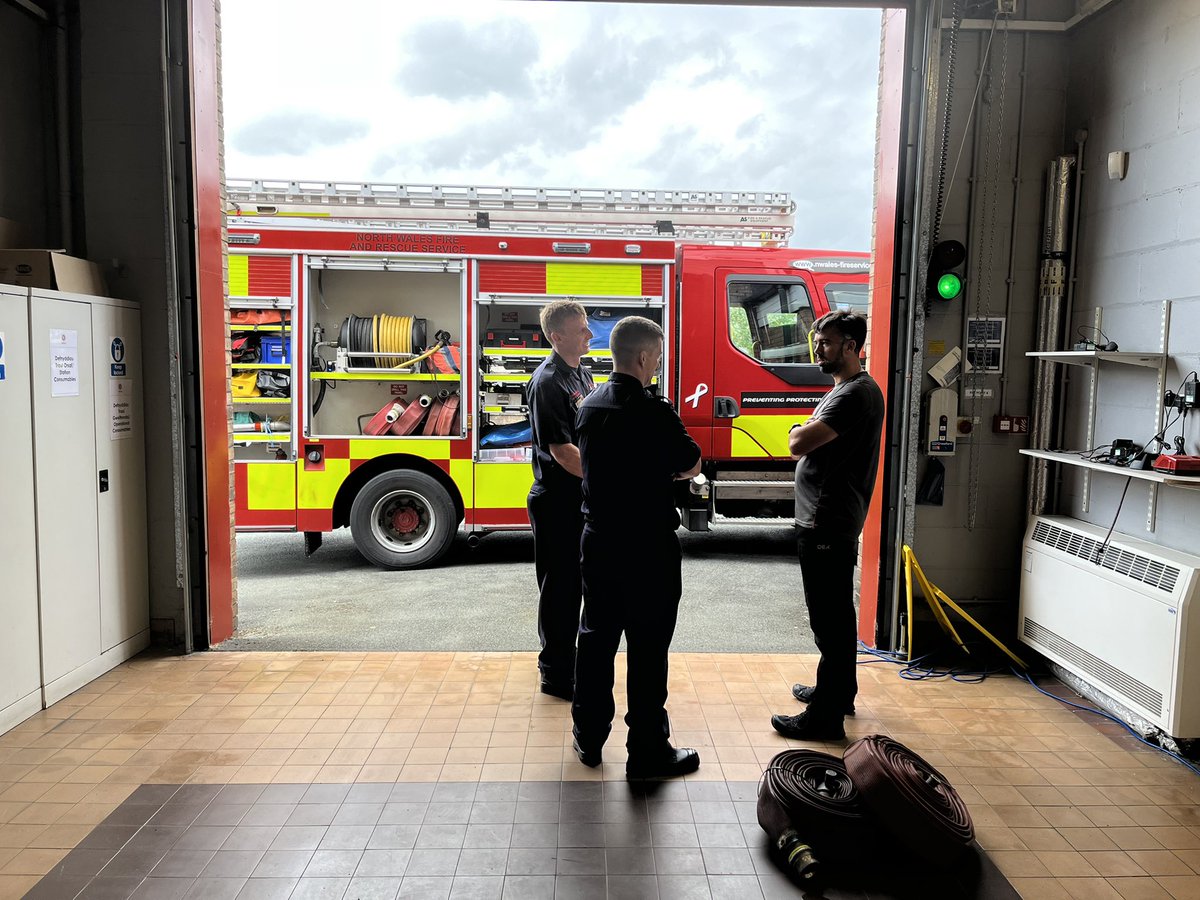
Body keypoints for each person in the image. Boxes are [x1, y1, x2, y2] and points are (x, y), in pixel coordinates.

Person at [571, 316, 703, 779]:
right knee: (648, 649)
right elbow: (690, 462)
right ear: (645, 357)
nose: (657, 365)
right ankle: (646, 750)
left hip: (600, 542)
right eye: (658, 357)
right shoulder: (655, 411)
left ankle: (588, 736)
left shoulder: (588, 407)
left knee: (596, 639)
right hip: (648, 549)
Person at [771, 310, 884, 742]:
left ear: (853, 346)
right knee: (834, 613)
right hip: (830, 517)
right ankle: (840, 691)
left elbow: (798, 443)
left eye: (828, 341)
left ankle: (825, 717)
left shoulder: (853, 394)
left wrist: (799, 428)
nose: (818, 348)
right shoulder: (847, 389)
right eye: (817, 340)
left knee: (829, 618)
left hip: (826, 519)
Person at [526, 300, 595, 701]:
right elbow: (562, 450)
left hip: (577, 498)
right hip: (557, 500)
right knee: (560, 589)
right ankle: (554, 673)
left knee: (576, 586)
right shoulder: (549, 380)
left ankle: (566, 663)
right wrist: (609, 477)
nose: (589, 334)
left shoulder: (580, 375)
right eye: (581, 329)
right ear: (557, 336)